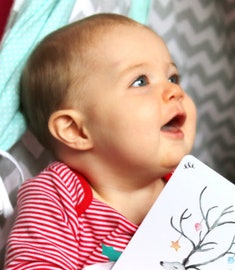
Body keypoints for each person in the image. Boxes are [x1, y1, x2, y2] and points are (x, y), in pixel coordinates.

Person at [5, 13, 196, 269]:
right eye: (140, 81)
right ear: (76, 131)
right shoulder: (59, 198)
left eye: (173, 78)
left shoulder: (189, 190)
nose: (175, 91)